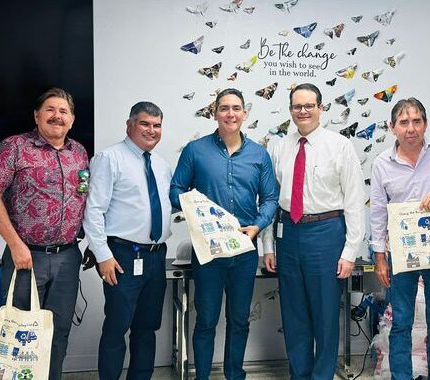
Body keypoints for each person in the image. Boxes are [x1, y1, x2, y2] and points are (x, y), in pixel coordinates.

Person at [0, 88, 88, 380]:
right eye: (50, 109)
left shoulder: (78, 153)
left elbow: (84, 199)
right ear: (37, 116)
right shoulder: (14, 147)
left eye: (64, 111)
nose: (57, 116)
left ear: (72, 119)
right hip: (26, 257)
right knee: (21, 334)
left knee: (59, 331)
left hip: (68, 257)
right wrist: (15, 245)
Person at [170, 88, 278, 380]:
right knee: (205, 320)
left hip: (244, 250)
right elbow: (175, 190)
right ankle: (202, 377)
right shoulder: (196, 150)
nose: (231, 114)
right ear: (214, 113)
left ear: (244, 114)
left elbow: (270, 199)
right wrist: (194, 211)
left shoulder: (259, 155)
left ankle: (235, 375)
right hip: (207, 251)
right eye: (224, 108)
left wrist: (257, 225)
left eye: (236, 108)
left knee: (240, 319)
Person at [262, 83, 365, 379]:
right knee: (294, 314)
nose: (303, 111)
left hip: (326, 233)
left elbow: (355, 201)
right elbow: (271, 199)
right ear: (290, 110)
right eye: (297, 106)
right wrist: (269, 246)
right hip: (287, 233)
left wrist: (349, 252)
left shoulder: (340, 146)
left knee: (325, 314)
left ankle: (322, 376)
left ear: (321, 108)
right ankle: (300, 374)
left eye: (309, 105)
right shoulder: (279, 147)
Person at [369, 97, 430, 380]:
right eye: (403, 122)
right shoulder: (381, 164)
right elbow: (377, 213)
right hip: (401, 254)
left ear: (425, 124)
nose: (410, 128)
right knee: (401, 323)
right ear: (392, 127)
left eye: (416, 121)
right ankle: (401, 377)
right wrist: (380, 257)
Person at [83, 102, 172, 379]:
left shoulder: (161, 164)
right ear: (129, 125)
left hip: (156, 257)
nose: (151, 130)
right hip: (121, 256)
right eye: (145, 123)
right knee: (116, 327)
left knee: (147, 328)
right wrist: (103, 255)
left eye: (157, 125)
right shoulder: (109, 158)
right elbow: (94, 210)